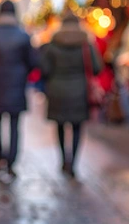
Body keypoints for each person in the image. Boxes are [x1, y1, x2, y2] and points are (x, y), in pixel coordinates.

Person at [0, 0, 37, 177]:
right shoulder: (24, 36)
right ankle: (11, 161)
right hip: (17, 85)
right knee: (14, 124)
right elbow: (33, 62)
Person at [40, 11, 102, 178]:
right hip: (79, 91)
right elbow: (97, 68)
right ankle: (73, 162)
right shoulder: (86, 44)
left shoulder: (53, 43)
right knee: (76, 127)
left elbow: (44, 69)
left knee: (60, 125)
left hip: (57, 90)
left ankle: (63, 160)